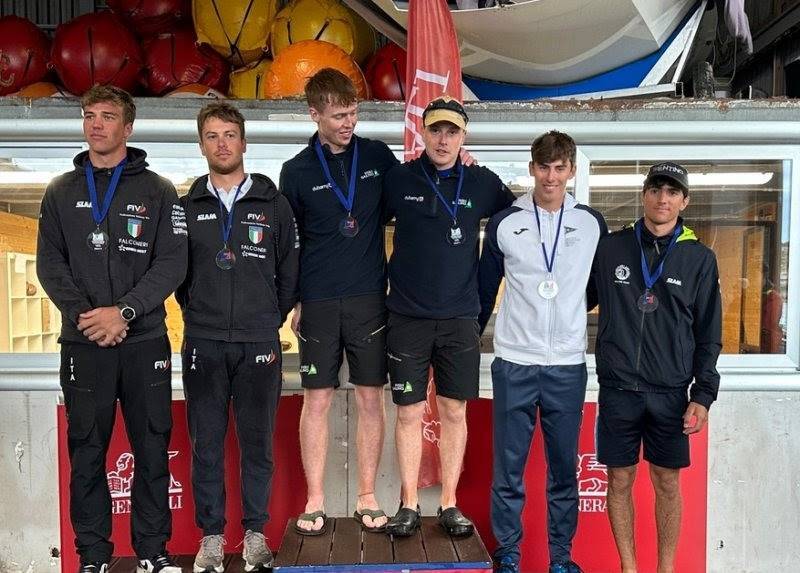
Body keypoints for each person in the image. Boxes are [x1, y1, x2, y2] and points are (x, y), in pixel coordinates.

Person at [36, 85, 188, 573]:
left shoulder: (159, 191)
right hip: (84, 343)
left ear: (128, 127)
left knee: (152, 448)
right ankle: (94, 556)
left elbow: (172, 264)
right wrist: (89, 318)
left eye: (107, 116)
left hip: (144, 342)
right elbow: (50, 265)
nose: (96, 124)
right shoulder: (60, 191)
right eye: (89, 115)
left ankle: (153, 552)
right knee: (87, 451)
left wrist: (123, 312)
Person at [382, 95, 516, 538]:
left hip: (460, 319)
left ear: (464, 137)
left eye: (452, 132)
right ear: (422, 133)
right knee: (408, 412)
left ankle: (449, 503)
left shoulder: (483, 183)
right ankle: (408, 503)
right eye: (436, 130)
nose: (443, 140)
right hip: (407, 318)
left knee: (454, 411)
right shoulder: (399, 179)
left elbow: (518, 224)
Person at [176, 102, 299, 572]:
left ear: (244, 142)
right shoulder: (187, 207)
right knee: (206, 444)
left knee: (257, 444)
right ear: (201, 145)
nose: (222, 143)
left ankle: (254, 535)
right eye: (212, 135)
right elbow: (179, 275)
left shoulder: (274, 205)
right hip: (204, 342)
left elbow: (289, 271)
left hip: (258, 342)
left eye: (229, 134)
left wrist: (267, 318)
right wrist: (201, 314)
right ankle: (211, 537)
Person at [478, 131, 606, 573]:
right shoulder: (505, 222)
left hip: (567, 366)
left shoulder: (591, 223)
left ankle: (561, 559)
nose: (551, 177)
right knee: (508, 471)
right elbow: (484, 290)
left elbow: (596, 289)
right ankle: (508, 556)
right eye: (543, 167)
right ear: (531, 168)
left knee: (564, 473)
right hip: (514, 361)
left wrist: (567, 315)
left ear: (571, 170)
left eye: (559, 167)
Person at [279, 68, 399, 535]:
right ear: (315, 114)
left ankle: (367, 495)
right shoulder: (296, 171)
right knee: (317, 398)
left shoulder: (377, 156)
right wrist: (296, 300)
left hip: (369, 298)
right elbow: (290, 243)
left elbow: (407, 202)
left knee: (371, 397)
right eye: (338, 116)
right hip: (319, 301)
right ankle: (315, 500)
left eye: (353, 113)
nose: (348, 123)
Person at [590, 162, 722, 573]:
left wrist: (703, 395)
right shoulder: (611, 248)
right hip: (618, 390)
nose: (662, 199)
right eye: (655, 189)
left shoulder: (700, 259)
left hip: (670, 393)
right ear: (644, 194)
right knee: (619, 480)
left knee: (667, 482)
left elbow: (709, 333)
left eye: (672, 192)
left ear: (685, 201)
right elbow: (577, 300)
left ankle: (666, 569)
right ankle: (629, 568)